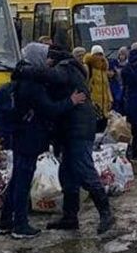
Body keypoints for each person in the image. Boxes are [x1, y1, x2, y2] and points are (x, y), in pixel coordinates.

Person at [0, 43, 86, 239]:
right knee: (23, 181)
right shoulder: (32, 83)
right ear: (36, 57)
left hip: (22, 134)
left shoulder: (23, 77)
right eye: (45, 56)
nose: (48, 61)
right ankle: (20, 225)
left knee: (17, 179)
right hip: (29, 136)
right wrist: (70, 101)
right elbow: (49, 108)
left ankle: (5, 221)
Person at [47, 46, 114, 235]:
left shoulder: (65, 69)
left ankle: (106, 213)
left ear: (52, 60)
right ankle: (70, 216)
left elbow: (51, 78)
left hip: (79, 131)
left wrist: (28, 71)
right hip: (71, 131)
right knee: (67, 173)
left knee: (84, 169)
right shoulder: (71, 70)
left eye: (47, 61)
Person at [85, 45, 113, 124]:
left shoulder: (103, 69)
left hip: (104, 103)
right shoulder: (89, 67)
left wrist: (110, 99)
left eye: (101, 54)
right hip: (94, 103)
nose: (99, 57)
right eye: (97, 54)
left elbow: (107, 86)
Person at [108, 45, 129, 114]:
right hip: (116, 84)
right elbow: (110, 73)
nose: (121, 57)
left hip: (125, 85)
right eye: (120, 55)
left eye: (123, 55)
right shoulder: (114, 63)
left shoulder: (128, 64)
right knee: (117, 100)